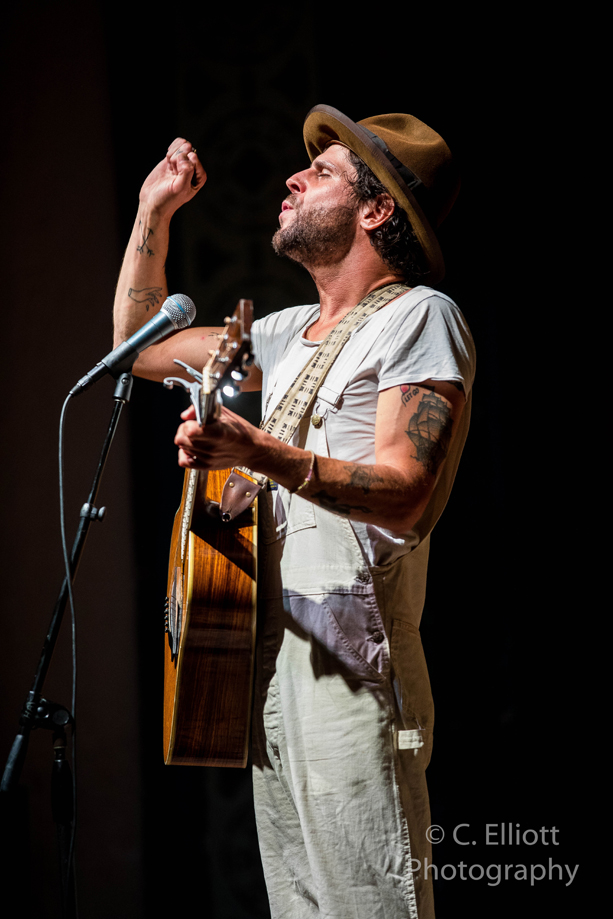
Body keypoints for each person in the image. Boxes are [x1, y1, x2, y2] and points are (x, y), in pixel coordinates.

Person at [113, 104, 476, 919]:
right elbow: (137, 348)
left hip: (353, 667)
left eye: (320, 172)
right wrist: (153, 210)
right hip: (273, 657)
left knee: (368, 903)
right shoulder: (280, 336)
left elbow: (405, 489)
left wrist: (259, 451)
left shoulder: (419, 316)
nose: (292, 178)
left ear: (374, 211)